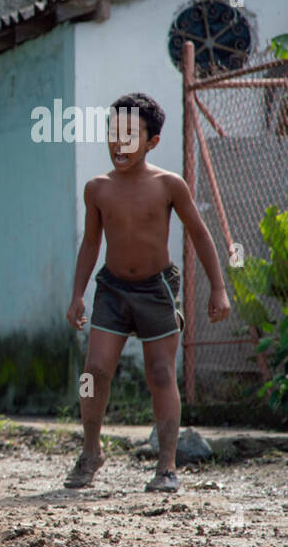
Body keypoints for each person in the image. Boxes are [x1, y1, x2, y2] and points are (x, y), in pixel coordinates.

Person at [64, 92, 230, 494]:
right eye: (113, 133)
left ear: (152, 141)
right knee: (94, 371)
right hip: (112, 289)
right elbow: (91, 244)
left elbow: (199, 233)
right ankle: (91, 452)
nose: (119, 142)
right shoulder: (97, 189)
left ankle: (167, 466)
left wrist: (219, 288)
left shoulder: (169, 185)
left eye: (130, 134)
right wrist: (78, 294)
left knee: (160, 373)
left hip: (156, 289)